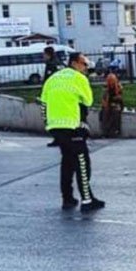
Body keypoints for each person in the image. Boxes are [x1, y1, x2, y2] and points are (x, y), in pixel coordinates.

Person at [40, 52, 105, 213]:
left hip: (55, 127)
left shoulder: (53, 78)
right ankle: (87, 200)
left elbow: (43, 104)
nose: (86, 68)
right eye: (84, 64)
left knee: (67, 161)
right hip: (73, 126)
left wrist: (48, 124)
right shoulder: (79, 78)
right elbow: (88, 101)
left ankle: (67, 198)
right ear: (75, 63)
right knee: (82, 161)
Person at [101, 72, 123, 138]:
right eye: (109, 81)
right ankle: (105, 132)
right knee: (105, 113)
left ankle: (116, 131)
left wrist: (113, 101)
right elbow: (104, 99)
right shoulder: (106, 88)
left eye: (112, 81)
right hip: (108, 104)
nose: (111, 83)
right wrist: (106, 104)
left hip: (116, 104)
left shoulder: (119, 87)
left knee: (115, 112)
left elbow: (119, 98)